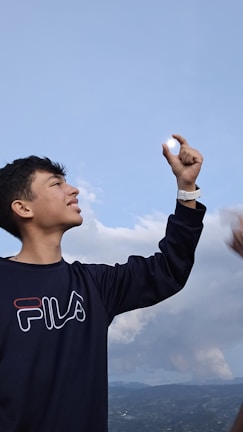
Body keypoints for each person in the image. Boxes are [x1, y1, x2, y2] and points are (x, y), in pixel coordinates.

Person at [0, 134, 206, 431]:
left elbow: (168, 270)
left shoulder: (94, 285)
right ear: (23, 208)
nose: (74, 189)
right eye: (56, 184)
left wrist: (186, 190)